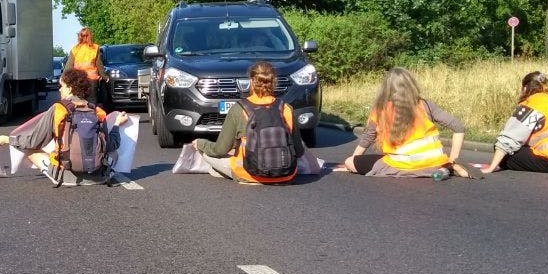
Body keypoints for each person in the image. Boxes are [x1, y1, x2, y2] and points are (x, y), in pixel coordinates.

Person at [191, 62, 319, 184]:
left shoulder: (239, 109)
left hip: (248, 173)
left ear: (251, 82)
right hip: (286, 174)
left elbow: (220, 150)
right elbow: (299, 151)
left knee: (208, 155)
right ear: (274, 83)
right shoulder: (286, 108)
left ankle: (221, 171)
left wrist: (200, 144)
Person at [0, 69, 127, 186]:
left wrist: (8, 140)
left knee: (30, 150)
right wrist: (116, 124)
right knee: (112, 152)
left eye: (61, 86)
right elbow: (111, 145)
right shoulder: (98, 111)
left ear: (69, 89)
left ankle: (57, 172)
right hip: (99, 177)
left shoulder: (58, 109)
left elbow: (34, 141)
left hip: (66, 177)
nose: (59, 89)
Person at [342, 67, 480, 179]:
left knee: (350, 163)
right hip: (434, 159)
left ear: (386, 88)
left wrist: (354, 159)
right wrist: (453, 159)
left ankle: (420, 172)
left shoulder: (380, 109)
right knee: (424, 163)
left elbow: (368, 137)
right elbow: (458, 127)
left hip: (402, 162)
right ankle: (447, 167)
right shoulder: (424, 104)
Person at [65, 27, 107, 104]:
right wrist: (105, 77)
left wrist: (63, 78)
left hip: (78, 80)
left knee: (78, 102)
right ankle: (92, 115)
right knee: (92, 102)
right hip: (92, 80)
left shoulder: (75, 49)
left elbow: (69, 66)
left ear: (79, 37)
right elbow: (99, 64)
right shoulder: (95, 48)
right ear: (90, 36)